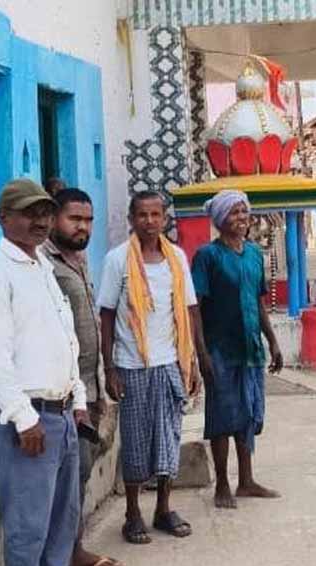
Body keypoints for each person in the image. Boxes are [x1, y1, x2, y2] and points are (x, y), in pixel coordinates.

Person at [0, 178, 91, 566]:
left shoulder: (43, 269)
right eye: (28, 213)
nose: (39, 221)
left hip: (62, 417)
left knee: (59, 528)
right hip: (31, 422)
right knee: (27, 534)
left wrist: (78, 399)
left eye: (44, 213)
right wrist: (23, 417)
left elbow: (65, 341)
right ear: (3, 218)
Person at [97, 190, 200, 544]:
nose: (149, 221)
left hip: (170, 363)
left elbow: (189, 310)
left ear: (165, 219)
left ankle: (163, 509)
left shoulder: (177, 258)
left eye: (156, 214)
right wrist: (110, 368)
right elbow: (107, 314)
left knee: (169, 440)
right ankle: (132, 513)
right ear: (131, 219)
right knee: (136, 443)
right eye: (142, 214)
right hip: (132, 365)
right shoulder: (117, 260)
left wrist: (193, 362)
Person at [40, 188, 126, 566]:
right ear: (54, 218)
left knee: (79, 480)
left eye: (88, 220)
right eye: (75, 219)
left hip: (87, 391)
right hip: (61, 396)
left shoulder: (77, 259)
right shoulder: (44, 264)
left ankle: (72, 552)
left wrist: (101, 381)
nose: (83, 227)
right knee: (57, 492)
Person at [190, 190, 283, 510]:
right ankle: (222, 484)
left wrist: (272, 340)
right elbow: (195, 308)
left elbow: (258, 301)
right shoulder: (207, 256)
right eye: (233, 212)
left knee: (247, 412)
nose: (241, 218)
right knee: (221, 416)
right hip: (219, 348)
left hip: (250, 348)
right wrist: (201, 353)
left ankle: (247, 480)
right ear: (219, 220)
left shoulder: (254, 254)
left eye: (244, 211)